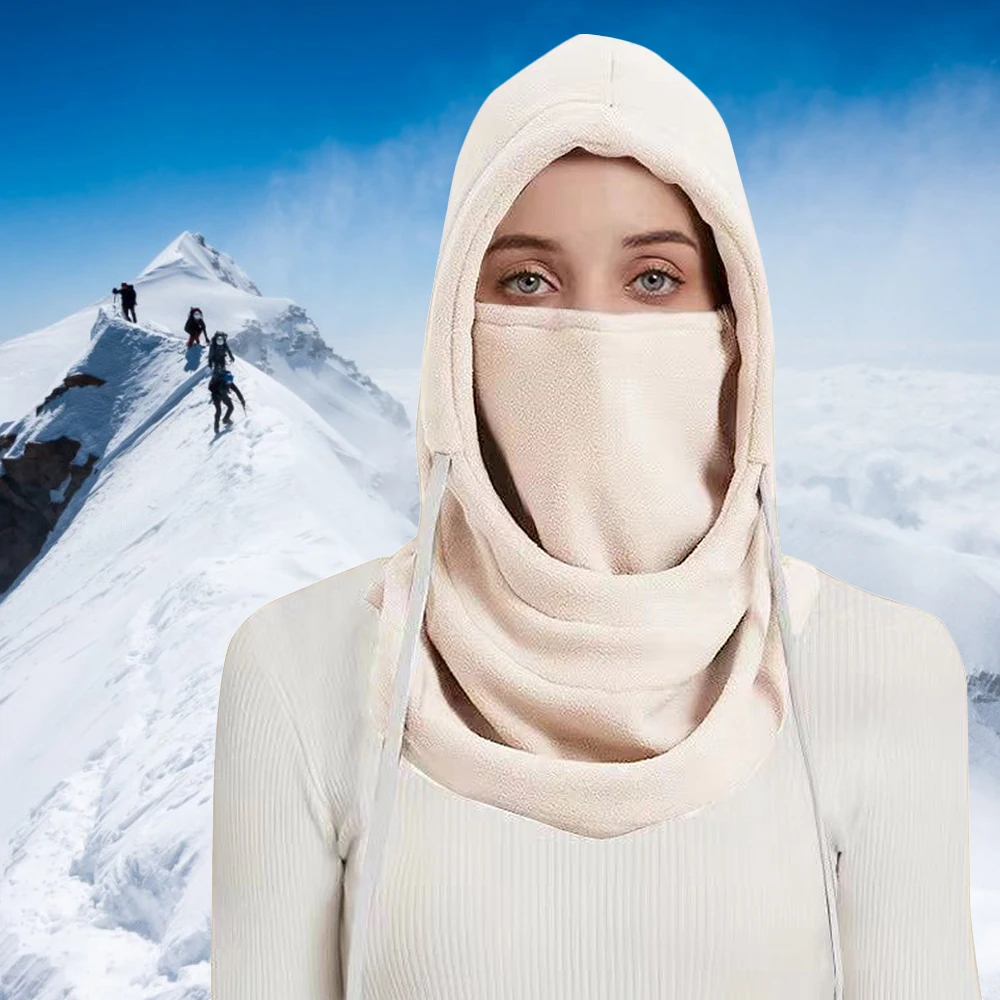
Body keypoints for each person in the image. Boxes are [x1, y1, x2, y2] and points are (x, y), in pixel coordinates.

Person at [211, 35, 982, 1000]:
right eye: (527, 282)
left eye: (654, 278)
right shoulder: (296, 671)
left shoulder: (886, 671)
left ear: (738, 327)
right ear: (458, 329)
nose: (588, 341)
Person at [208, 367, 244, 434]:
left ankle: (221, 423)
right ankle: (221, 423)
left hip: (218, 395)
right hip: (219, 395)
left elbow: (237, 391)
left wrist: (242, 400)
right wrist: (242, 400)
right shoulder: (224, 381)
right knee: (226, 408)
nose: (228, 383)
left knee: (222, 409)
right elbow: (237, 391)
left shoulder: (225, 381)